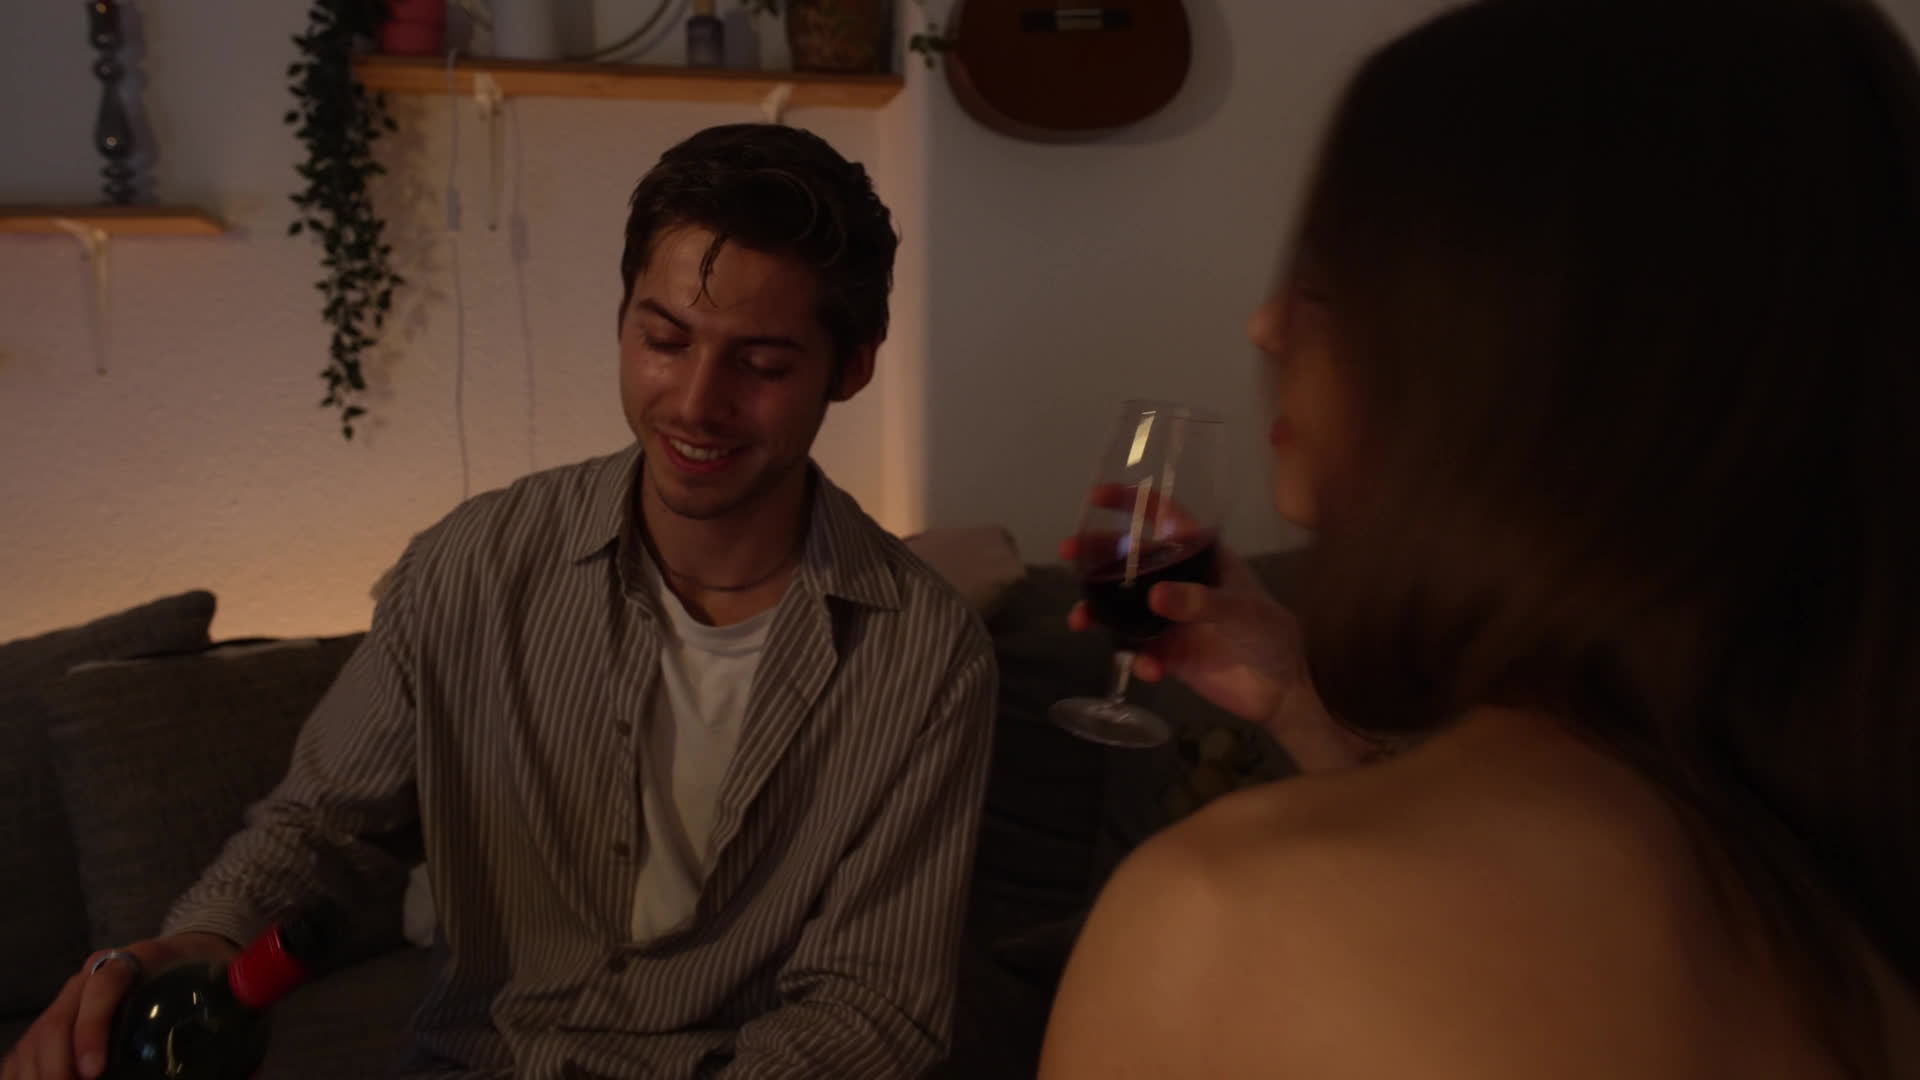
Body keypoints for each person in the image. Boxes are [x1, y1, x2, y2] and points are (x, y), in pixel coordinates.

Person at [3, 123, 997, 1080]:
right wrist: (199, 941)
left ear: (851, 367)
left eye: (762, 363)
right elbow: (318, 827)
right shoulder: (472, 565)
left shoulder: (923, 654)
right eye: (665, 339)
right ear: (622, 321)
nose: (697, 401)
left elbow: (871, 1009)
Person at [1039, 0, 1920, 1075]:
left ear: (1525, 354)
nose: (1266, 328)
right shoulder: (1841, 914)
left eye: (1326, 282)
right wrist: (1305, 709)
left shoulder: (1233, 917)